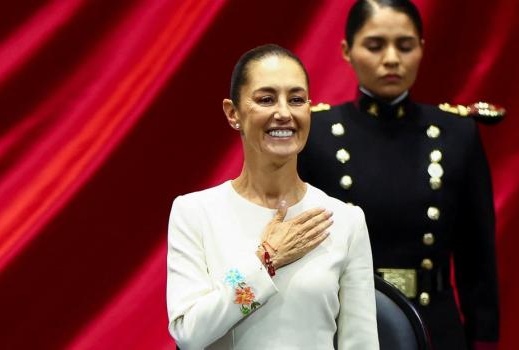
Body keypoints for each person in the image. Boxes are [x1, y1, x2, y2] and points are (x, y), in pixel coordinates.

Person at [298, 1, 500, 349]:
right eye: (375, 45)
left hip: (435, 325)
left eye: (405, 46)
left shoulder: (457, 133)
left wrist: (482, 337)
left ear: (421, 49)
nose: (391, 58)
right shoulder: (315, 134)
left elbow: (477, 256)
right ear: (347, 51)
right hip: (341, 325)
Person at [166, 44, 379, 350]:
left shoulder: (345, 220)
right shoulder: (195, 213)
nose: (283, 113)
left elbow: (361, 344)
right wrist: (266, 261)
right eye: (266, 99)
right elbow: (190, 335)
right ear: (233, 113)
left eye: (296, 100)